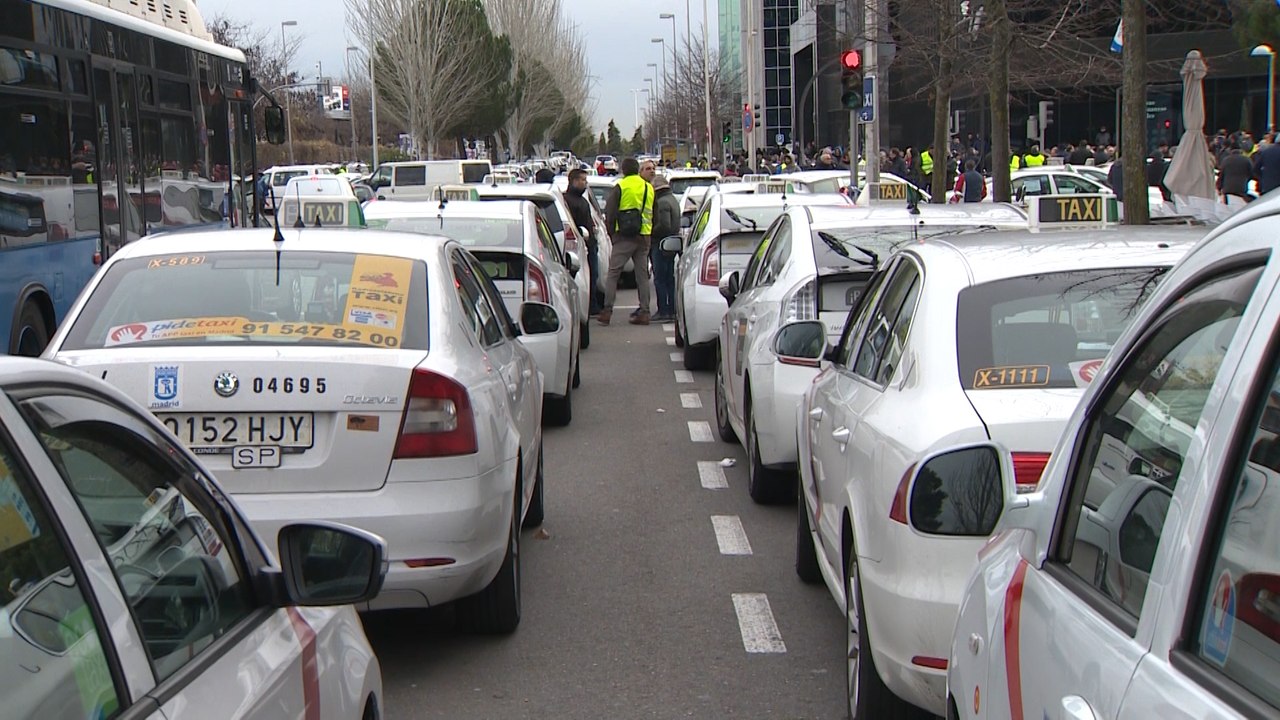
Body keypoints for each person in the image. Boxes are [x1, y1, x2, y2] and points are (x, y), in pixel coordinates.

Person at [599, 157, 654, 326]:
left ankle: (607, 310)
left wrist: (612, 234)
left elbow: (611, 212)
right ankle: (644, 311)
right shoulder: (648, 187)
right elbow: (654, 211)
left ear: (623, 170)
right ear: (637, 169)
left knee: (613, 273)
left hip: (623, 236)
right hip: (644, 236)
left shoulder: (620, 187)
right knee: (642, 276)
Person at [564, 169, 602, 314]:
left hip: (589, 244)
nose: (585, 183)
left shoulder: (582, 201)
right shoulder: (569, 201)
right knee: (587, 277)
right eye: (583, 180)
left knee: (593, 276)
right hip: (580, 246)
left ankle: (593, 304)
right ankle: (591, 306)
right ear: (574, 181)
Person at [648, 175, 680, 322]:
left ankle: (663, 310)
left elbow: (664, 225)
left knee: (660, 278)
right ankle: (671, 309)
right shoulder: (672, 199)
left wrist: (651, 231)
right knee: (669, 279)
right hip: (671, 243)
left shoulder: (662, 203)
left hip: (661, 243)